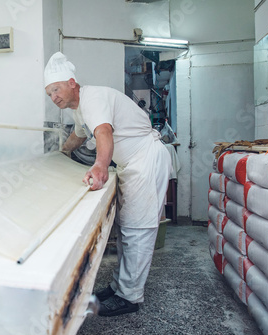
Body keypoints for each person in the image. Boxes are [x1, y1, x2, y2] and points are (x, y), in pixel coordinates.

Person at [44, 52, 172, 317]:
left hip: (145, 161)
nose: (53, 97)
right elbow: (78, 137)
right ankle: (118, 287)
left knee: (138, 229)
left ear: (71, 83)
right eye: (49, 94)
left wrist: (100, 165)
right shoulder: (81, 109)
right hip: (132, 165)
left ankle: (130, 297)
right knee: (127, 228)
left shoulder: (93, 98)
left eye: (56, 89)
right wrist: (58, 156)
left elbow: (103, 131)